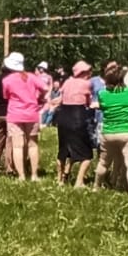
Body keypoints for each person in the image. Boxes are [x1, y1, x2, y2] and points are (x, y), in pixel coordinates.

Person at [94, 63, 128, 197]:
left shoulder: (102, 94)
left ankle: (96, 186)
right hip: (127, 132)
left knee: (104, 162)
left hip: (108, 132)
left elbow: (103, 107)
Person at [2, 51, 48, 182]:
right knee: (33, 145)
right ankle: (34, 175)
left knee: (17, 146)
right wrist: (40, 98)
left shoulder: (7, 80)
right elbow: (45, 87)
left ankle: (21, 176)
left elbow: (6, 96)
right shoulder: (32, 77)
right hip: (32, 114)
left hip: (15, 114)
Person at [55, 60, 94, 188]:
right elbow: (88, 102)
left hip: (63, 116)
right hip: (77, 116)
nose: (90, 73)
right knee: (86, 154)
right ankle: (79, 182)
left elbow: (61, 97)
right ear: (83, 72)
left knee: (63, 150)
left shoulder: (67, 82)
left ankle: (59, 180)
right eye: (89, 71)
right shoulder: (86, 84)